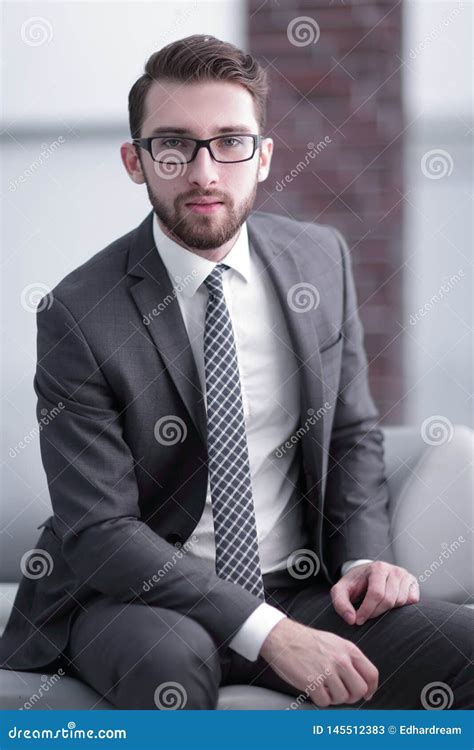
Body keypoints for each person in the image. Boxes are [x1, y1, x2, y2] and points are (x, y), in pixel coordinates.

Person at [1, 34, 472, 710]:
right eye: (174, 145)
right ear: (136, 161)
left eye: (230, 141)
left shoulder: (319, 259)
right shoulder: (79, 312)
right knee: (171, 671)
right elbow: (101, 533)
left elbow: (350, 432)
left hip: (298, 585)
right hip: (141, 601)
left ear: (263, 155)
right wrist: (268, 633)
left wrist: (365, 558)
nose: (204, 172)